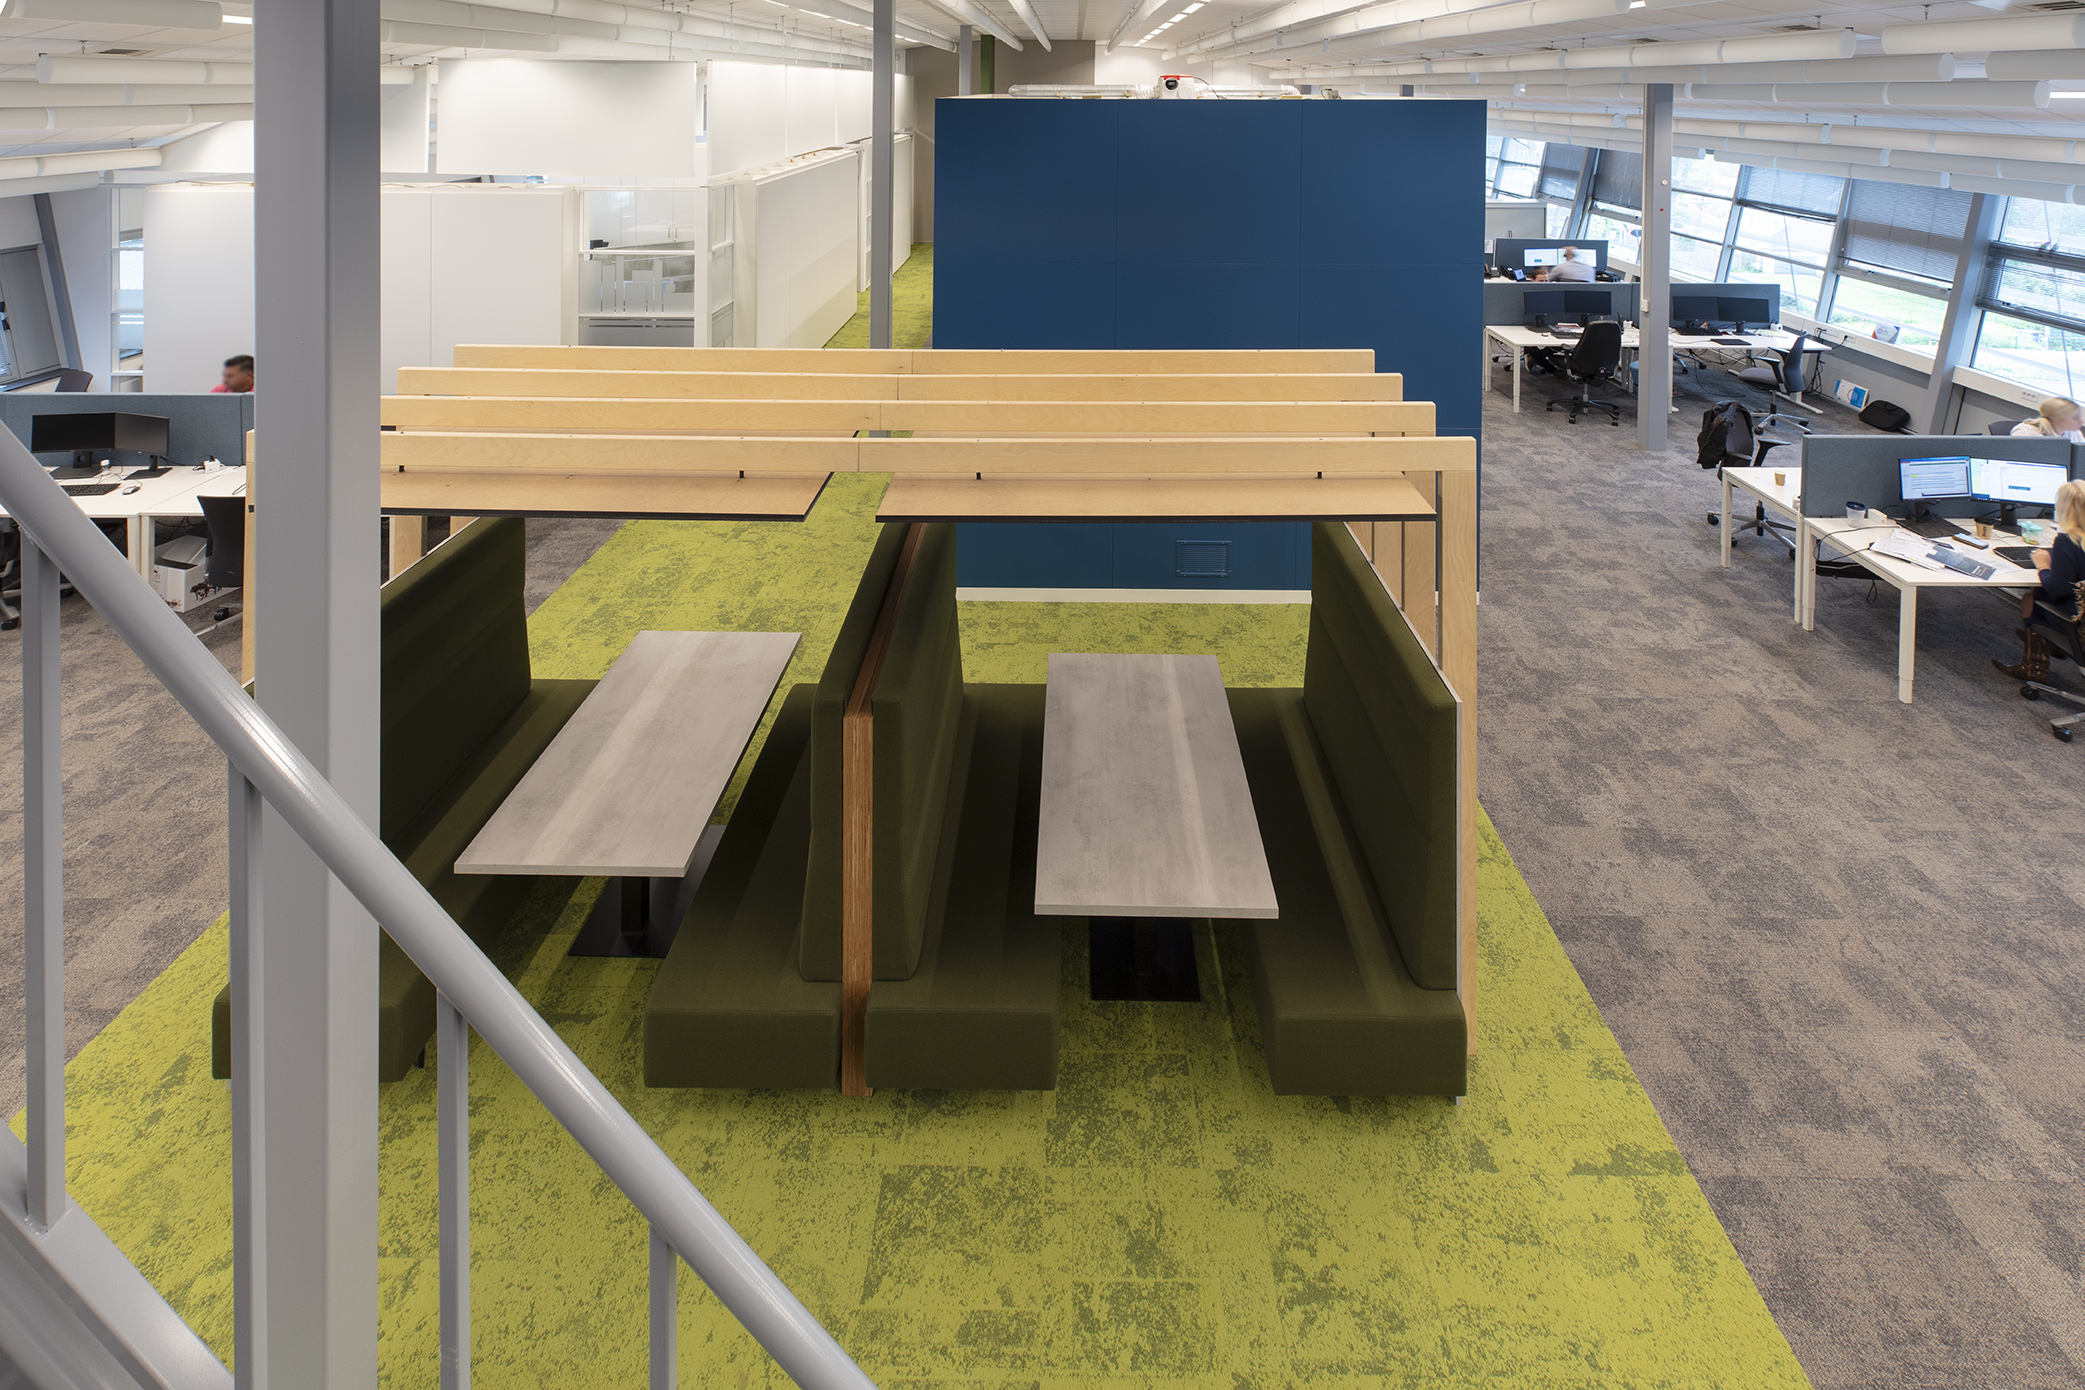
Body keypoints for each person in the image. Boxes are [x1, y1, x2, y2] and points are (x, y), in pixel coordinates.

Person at [1993, 477, 2085, 680]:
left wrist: (2043, 564)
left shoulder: (2069, 541)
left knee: (2032, 598)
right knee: (2039, 591)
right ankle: (2048, 645)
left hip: (2079, 625)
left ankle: (2034, 667)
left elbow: (2057, 588)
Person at [2009, 395, 2082, 442]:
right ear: (2058, 418)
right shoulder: (2026, 434)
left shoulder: (2074, 433)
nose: (2081, 422)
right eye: (2076, 418)